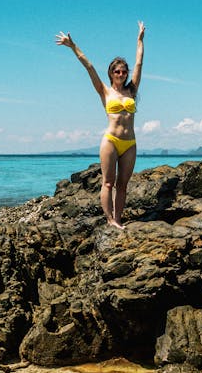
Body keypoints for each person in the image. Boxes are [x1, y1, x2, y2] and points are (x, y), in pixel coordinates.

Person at [55, 21, 145, 228]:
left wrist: (139, 40)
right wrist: (72, 45)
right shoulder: (104, 90)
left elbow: (139, 63)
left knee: (122, 185)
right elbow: (89, 66)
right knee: (107, 182)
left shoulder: (131, 90)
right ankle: (109, 219)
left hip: (130, 142)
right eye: (117, 72)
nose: (121, 75)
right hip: (111, 141)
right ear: (111, 73)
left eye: (124, 72)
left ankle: (119, 219)